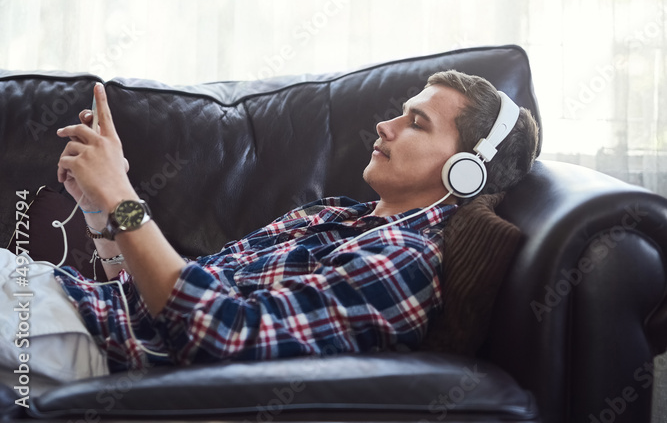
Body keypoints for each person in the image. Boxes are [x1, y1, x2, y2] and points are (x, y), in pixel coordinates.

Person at [0, 70, 538, 392]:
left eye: (416, 123)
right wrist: (98, 208)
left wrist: (122, 196)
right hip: (65, 303)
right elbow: (148, 295)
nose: (385, 125)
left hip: (76, 339)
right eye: (401, 112)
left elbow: (225, 336)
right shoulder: (332, 215)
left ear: (465, 170)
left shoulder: (402, 262)